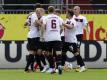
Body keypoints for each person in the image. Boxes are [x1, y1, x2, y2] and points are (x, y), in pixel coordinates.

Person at [42, 6, 63, 74]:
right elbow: (62, 27)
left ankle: (52, 67)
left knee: (48, 53)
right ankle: (59, 65)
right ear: (54, 11)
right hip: (57, 37)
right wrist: (58, 33)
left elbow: (43, 26)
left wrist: (42, 35)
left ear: (48, 11)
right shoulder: (58, 17)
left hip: (49, 37)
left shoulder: (46, 17)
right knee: (58, 52)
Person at [73, 6, 88, 70]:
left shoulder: (83, 17)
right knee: (74, 49)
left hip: (79, 35)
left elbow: (86, 24)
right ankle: (80, 64)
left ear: (79, 10)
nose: (74, 10)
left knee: (78, 49)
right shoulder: (72, 17)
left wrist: (87, 26)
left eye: (75, 9)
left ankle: (79, 64)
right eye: (74, 9)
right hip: (72, 35)